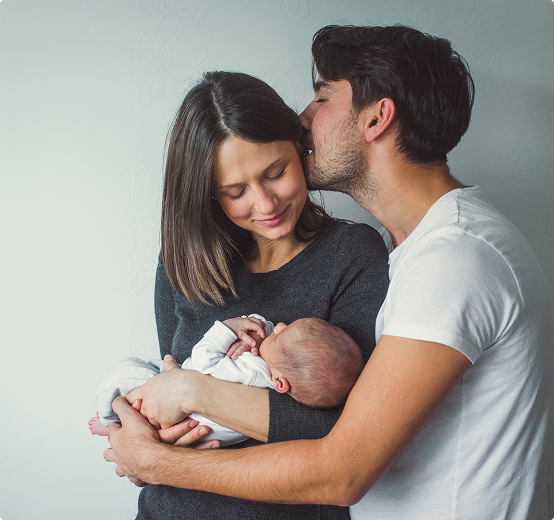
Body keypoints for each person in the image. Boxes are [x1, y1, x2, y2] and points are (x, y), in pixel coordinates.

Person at [104, 25, 554, 520]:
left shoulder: (454, 259)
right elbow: (169, 387)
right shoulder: (421, 250)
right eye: (234, 190)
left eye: (321, 97)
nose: (303, 118)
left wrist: (162, 452)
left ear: (377, 117)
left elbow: (340, 467)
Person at [103, 69, 389, 520]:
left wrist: (191, 397)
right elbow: (167, 394)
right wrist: (142, 444)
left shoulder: (352, 255)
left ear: (300, 147)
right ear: (208, 196)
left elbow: (346, 435)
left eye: (275, 173)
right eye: (235, 192)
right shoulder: (183, 264)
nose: (265, 204)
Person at [89, 314, 363, 445]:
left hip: (175, 410)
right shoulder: (272, 378)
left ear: (280, 382)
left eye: (281, 333)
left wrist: (228, 329)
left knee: (128, 371)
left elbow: (204, 359)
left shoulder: (254, 372)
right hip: (186, 429)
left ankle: (109, 420)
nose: (278, 325)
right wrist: (259, 328)